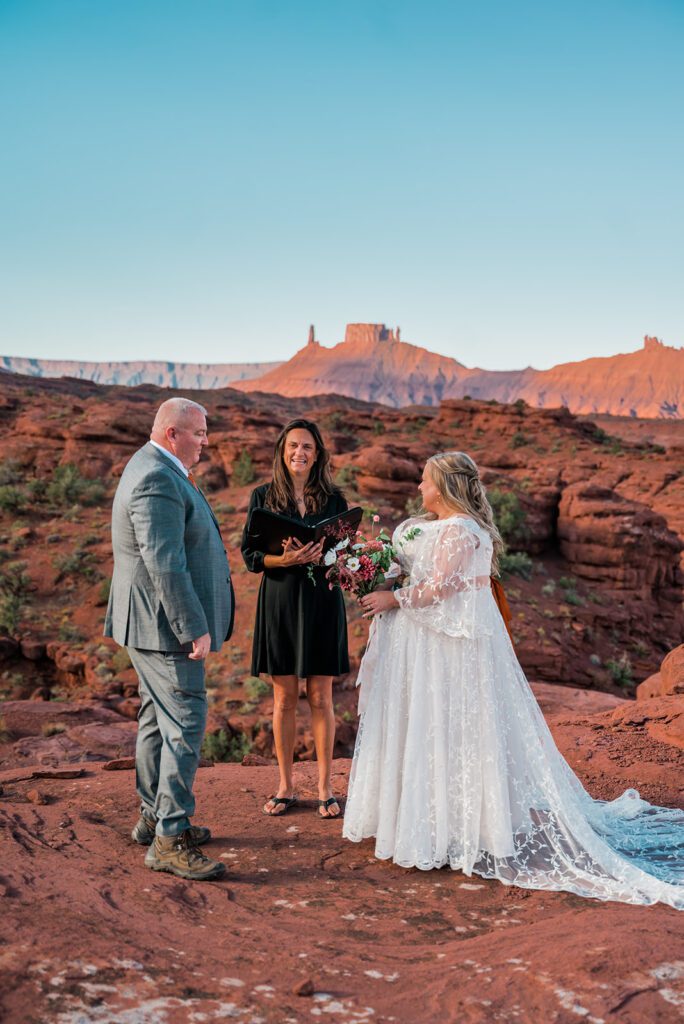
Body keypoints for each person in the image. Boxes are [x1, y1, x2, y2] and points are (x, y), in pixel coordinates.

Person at [343, 451, 684, 909]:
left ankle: (455, 829)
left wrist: (393, 598)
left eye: (426, 481)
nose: (419, 488)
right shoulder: (420, 525)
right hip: (416, 645)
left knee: (450, 727)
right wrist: (365, 570)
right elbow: (407, 567)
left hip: (445, 648)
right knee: (421, 726)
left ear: (445, 486)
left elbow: (441, 587)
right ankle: (416, 819)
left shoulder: (462, 529)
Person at [104, 397, 234, 882]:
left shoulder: (152, 464)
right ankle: (169, 840)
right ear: (173, 433)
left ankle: (154, 817)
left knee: (156, 722)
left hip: (148, 623)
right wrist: (192, 626)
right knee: (184, 719)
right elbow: (164, 562)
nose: (206, 441)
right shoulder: (157, 476)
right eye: (199, 433)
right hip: (164, 627)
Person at [241, 418, 349, 819]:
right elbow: (250, 556)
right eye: (292, 447)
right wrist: (280, 559)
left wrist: (331, 556)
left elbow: (349, 555)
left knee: (320, 696)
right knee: (284, 697)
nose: (299, 453)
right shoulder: (263, 496)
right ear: (281, 452)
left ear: (317, 453)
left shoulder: (334, 501)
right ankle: (285, 785)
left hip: (322, 601)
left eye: (306, 447)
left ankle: (325, 787)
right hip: (281, 602)